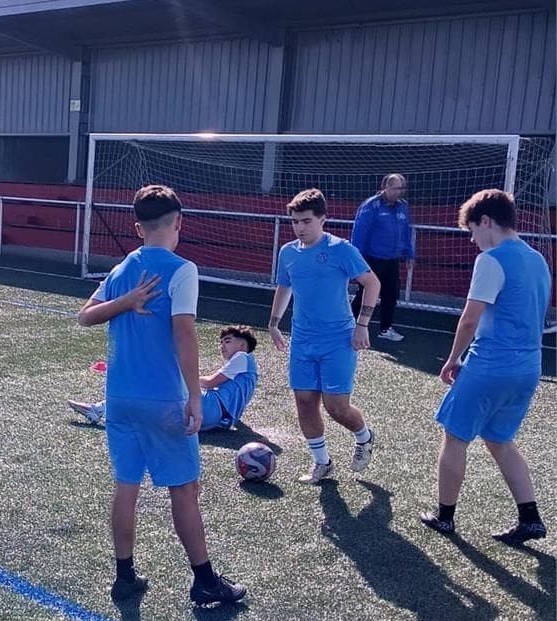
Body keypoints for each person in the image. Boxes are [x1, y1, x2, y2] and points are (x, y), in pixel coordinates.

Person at [77, 184, 245, 609]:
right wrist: (193, 396)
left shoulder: (122, 269)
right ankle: (205, 582)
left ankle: (124, 577)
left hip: (119, 399)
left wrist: (125, 300)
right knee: (184, 490)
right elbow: (184, 331)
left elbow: (85, 316)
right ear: (179, 223)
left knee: (126, 486)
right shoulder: (182, 269)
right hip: (163, 400)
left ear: (137, 228)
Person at [420, 188, 548, 545]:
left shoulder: (492, 260)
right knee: (500, 440)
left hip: (492, 364)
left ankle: (445, 517)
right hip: (528, 366)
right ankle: (530, 518)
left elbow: (469, 320)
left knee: (455, 435)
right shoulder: (538, 258)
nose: (473, 240)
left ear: (486, 222)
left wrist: (453, 358)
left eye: (473, 231)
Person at [268, 188, 381, 484]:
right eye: (295, 222)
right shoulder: (288, 252)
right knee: (304, 401)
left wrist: (362, 324)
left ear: (323, 219)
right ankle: (322, 463)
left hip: (338, 340)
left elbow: (372, 283)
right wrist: (274, 322)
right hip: (303, 340)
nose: (300, 228)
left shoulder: (341, 249)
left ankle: (365, 436)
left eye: (306, 221)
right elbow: (284, 286)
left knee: (336, 408)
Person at [67, 324, 259, 432]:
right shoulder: (247, 369)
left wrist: (183, 376)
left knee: (155, 382)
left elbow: (209, 382)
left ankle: (99, 409)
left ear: (243, 346)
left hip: (210, 407)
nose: (222, 346)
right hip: (217, 419)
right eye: (221, 342)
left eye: (228, 341)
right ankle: (105, 410)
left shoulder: (243, 357)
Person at [351, 173, 415, 342]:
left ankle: (385, 328)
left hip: (392, 260)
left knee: (391, 294)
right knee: (365, 292)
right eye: (395, 188)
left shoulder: (402, 207)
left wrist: (409, 253)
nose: (399, 192)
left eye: (401, 188)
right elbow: (359, 233)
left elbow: (406, 232)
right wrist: (357, 258)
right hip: (372, 259)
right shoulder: (371, 206)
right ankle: (349, 323)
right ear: (385, 188)